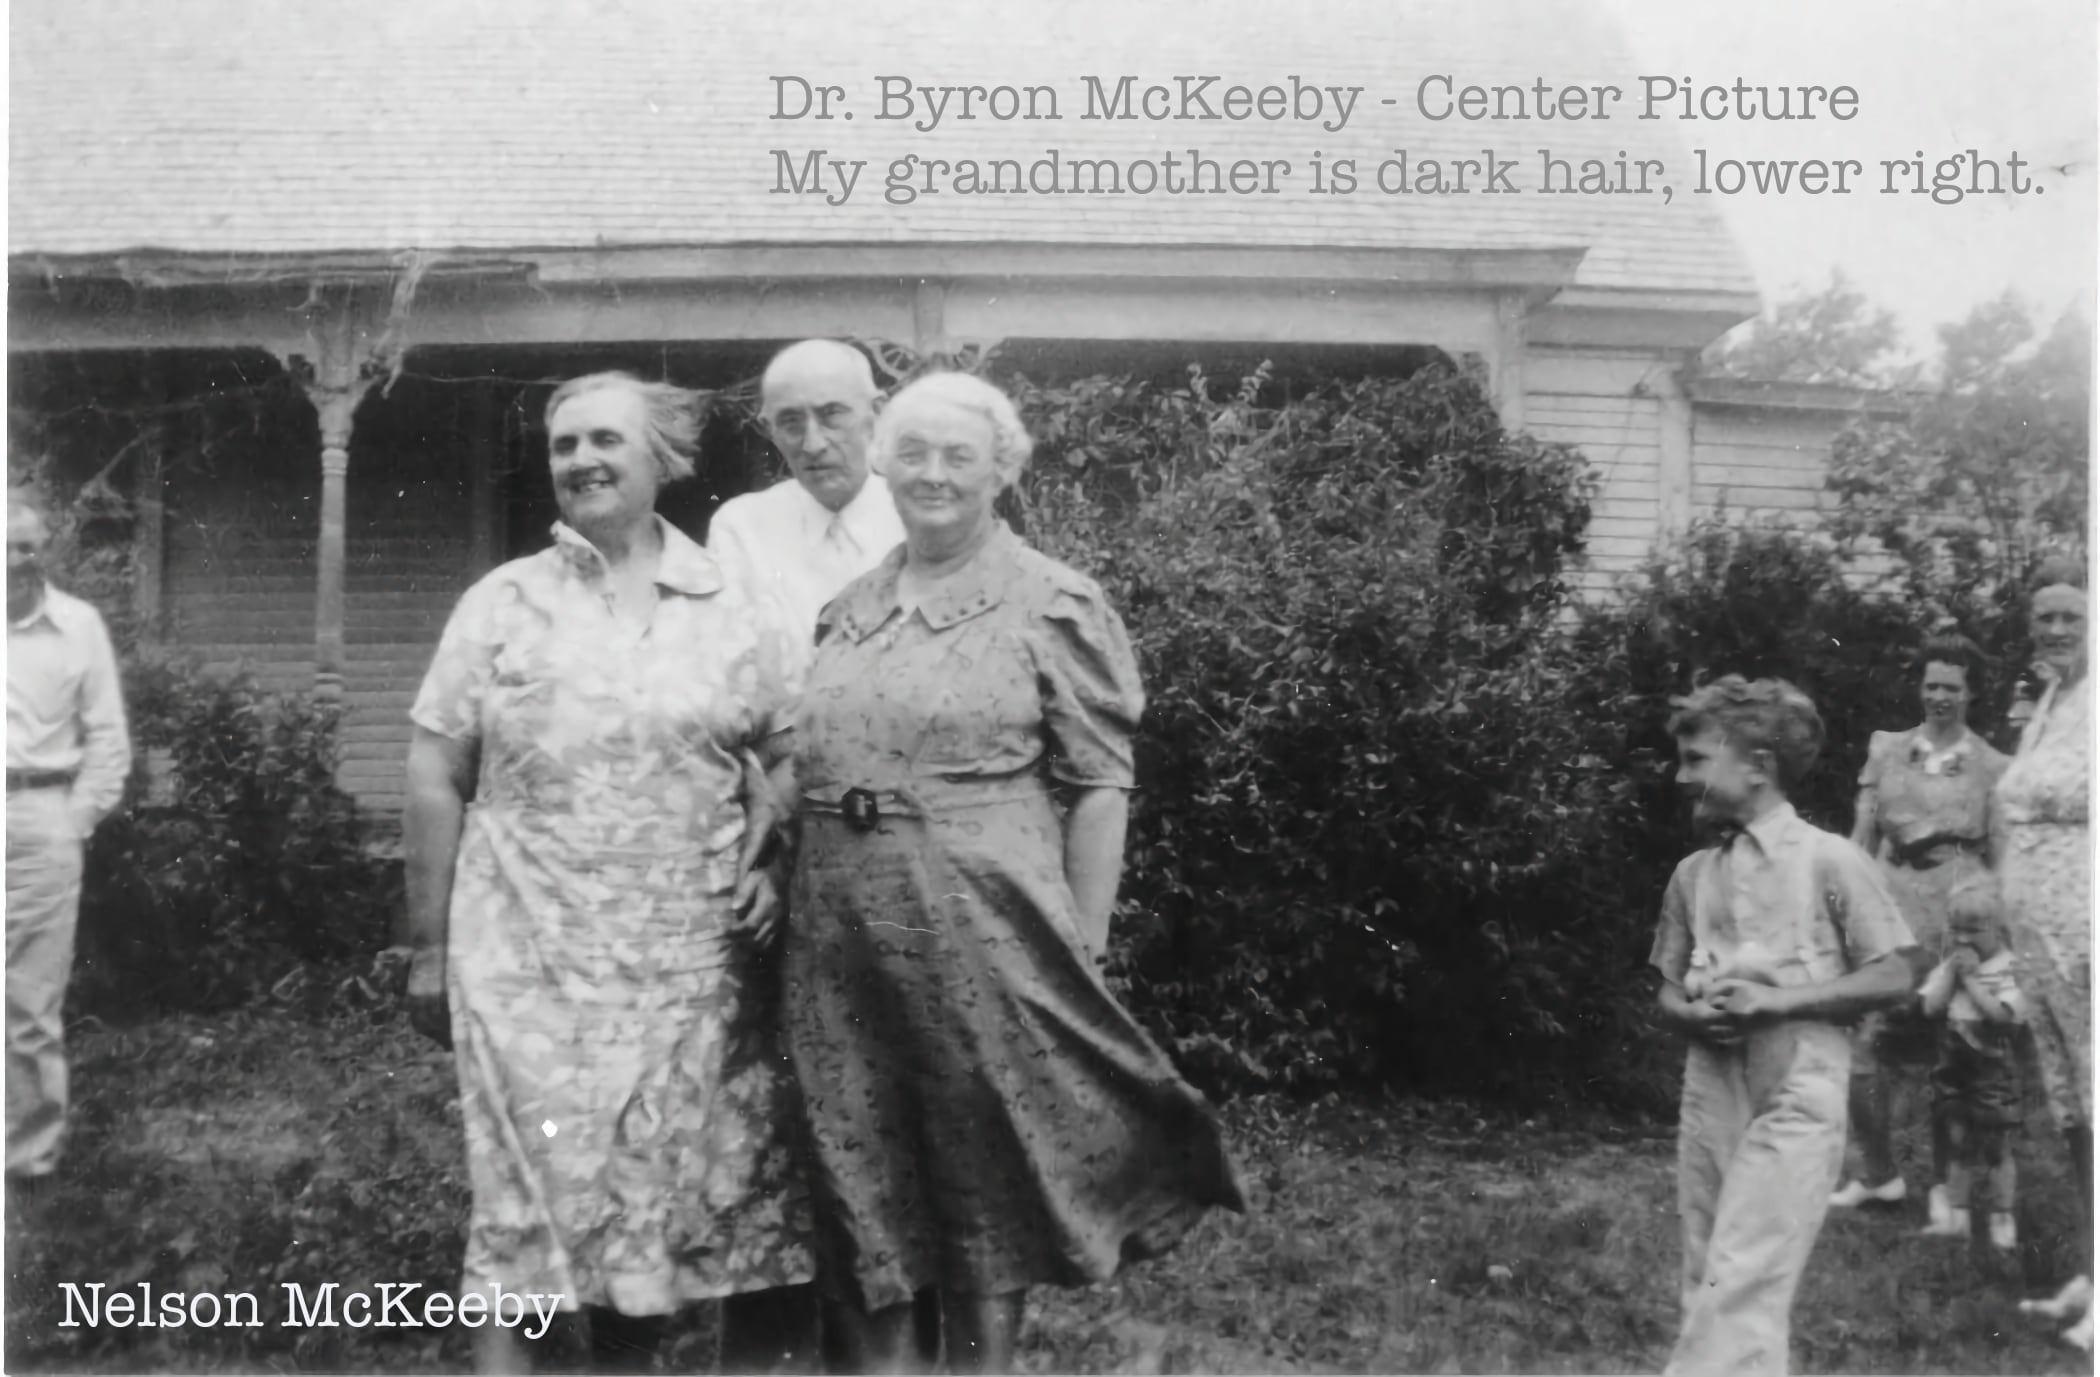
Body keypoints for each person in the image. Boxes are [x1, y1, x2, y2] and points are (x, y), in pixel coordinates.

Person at [779, 372, 1245, 1373]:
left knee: (979, 1169)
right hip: (837, 944)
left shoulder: (1051, 600)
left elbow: (1101, 786)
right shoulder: (848, 608)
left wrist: (1084, 950)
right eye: (913, 453)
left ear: (1003, 470)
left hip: (981, 934)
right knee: (856, 1163)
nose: (934, 474)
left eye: (960, 456)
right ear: (880, 463)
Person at [403, 372, 815, 1373]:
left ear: (661, 458)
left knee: (646, 1206)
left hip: (690, 972)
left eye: (605, 441)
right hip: (526, 966)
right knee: (524, 1205)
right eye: (565, 444)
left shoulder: (733, 605)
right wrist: (426, 947)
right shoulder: (503, 602)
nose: (582, 460)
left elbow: (792, 755)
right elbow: (432, 770)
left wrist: (771, 859)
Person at [1650, 676, 1918, 1377]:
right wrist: (1691, 1013)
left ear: (1758, 767)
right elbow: (1668, 991)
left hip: (1800, 1085)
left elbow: (1895, 973)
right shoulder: (1694, 875)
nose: (1681, 777)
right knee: (1708, 1269)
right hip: (1712, 1086)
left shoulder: (1828, 859)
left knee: (1745, 1273)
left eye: (1696, 759)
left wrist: (1779, 1003)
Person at [1830, 636, 2008, 1215]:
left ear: (1971, 693)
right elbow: (1861, 836)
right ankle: (1876, 1173)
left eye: (1952, 687)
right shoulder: (1886, 748)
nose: (1939, 696)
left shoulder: (1992, 766)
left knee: (1949, 1053)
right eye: (1931, 684)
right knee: (1863, 1040)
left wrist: (1990, 939)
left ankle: (1945, 1186)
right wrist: (1845, 901)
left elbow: (2001, 859)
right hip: (1888, 903)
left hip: (1954, 909)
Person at [6, 487, 131, 1187]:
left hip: (40, 816)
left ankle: (26, 1156)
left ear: (43, 550)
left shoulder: (78, 627)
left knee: (29, 997)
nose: (15, 560)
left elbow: (109, 738)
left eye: (26, 546)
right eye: (4, 547)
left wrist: (72, 820)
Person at [1994, 562, 2093, 1351]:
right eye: (2045, 618)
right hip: (2038, 935)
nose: (2056, 629)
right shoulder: (2050, 701)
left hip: (2084, 931)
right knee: (2072, 1108)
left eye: (2071, 615)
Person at [708, 339, 907, 640]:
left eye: (832, 415)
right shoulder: (742, 527)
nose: (813, 444)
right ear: (769, 429)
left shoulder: (920, 520)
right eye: (791, 423)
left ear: (877, 413)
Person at [1914, 879, 2024, 1249]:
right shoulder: (1951, 966)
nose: (1963, 939)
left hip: (1992, 1066)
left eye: (1974, 930)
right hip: (1954, 1066)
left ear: (1998, 928)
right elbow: (1930, 1007)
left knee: (1995, 1145)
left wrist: (1972, 981)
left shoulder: (2009, 968)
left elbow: (2001, 1016)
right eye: (1956, 929)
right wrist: (1951, 974)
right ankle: (1957, 1215)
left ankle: (2002, 1216)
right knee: (1957, 1140)